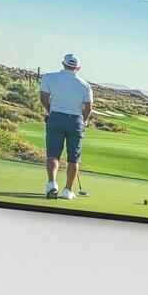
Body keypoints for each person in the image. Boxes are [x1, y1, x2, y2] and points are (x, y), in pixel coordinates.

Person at [37, 52, 92, 200]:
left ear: (63, 64)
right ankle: (68, 191)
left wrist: (51, 111)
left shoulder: (49, 77)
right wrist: (84, 121)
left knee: (53, 155)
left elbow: (43, 98)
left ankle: (52, 184)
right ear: (78, 68)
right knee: (73, 158)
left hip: (55, 118)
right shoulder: (86, 85)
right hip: (76, 122)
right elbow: (88, 108)